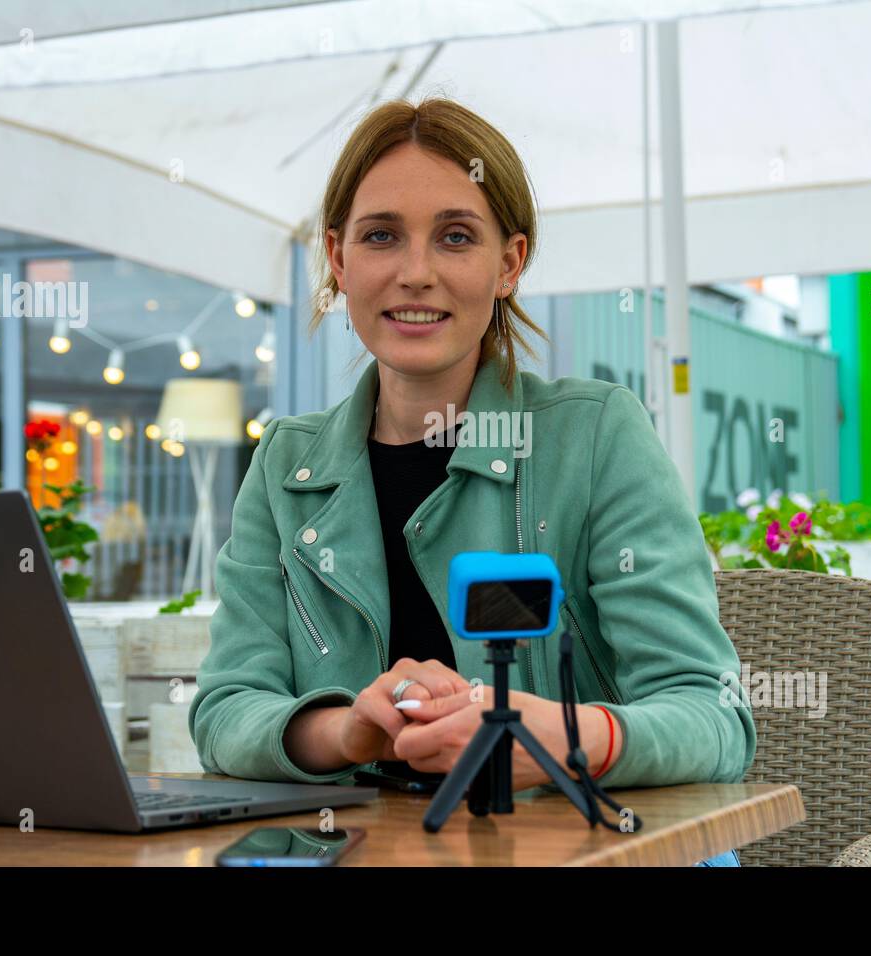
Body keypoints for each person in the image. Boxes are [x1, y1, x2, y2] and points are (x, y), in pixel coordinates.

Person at [188, 98, 755, 864]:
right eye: (381, 235)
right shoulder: (285, 464)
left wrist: (557, 737)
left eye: (456, 237)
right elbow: (225, 711)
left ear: (509, 264)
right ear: (339, 258)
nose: (415, 273)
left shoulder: (595, 436)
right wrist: (348, 729)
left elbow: (716, 720)